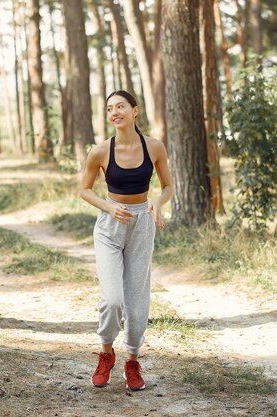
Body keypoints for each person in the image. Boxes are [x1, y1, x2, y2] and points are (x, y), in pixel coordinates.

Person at [79, 90, 173, 391]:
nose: (114, 112)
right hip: (109, 225)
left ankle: (132, 361)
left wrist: (157, 204)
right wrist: (108, 207)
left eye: (120, 106)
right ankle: (106, 354)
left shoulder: (155, 147)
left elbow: (168, 186)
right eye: (109, 108)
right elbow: (85, 190)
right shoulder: (100, 151)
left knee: (136, 300)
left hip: (142, 224)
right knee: (112, 299)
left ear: (135, 111)